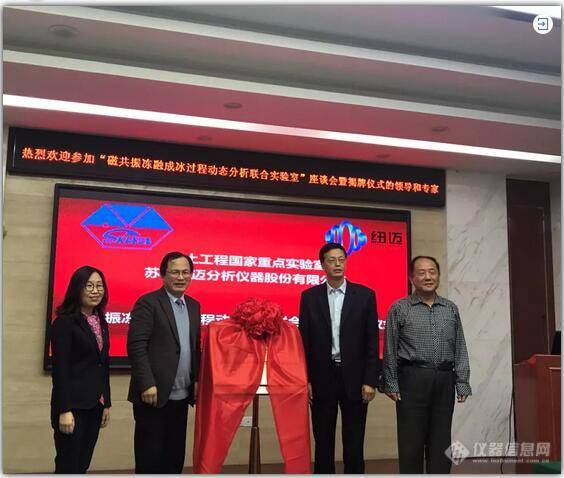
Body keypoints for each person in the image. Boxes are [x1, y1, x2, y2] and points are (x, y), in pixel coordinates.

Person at [382, 255, 471, 474]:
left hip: (444, 379)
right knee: (411, 442)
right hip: (412, 378)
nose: (428, 277)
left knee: (441, 440)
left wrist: (462, 382)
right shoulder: (399, 308)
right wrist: (391, 383)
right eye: (421, 273)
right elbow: (390, 349)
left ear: (438, 276)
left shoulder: (450, 308)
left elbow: (460, 346)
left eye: (432, 272)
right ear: (411, 278)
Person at [298, 242, 380, 474]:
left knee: (354, 440)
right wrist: (306, 379)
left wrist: (370, 380)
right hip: (322, 377)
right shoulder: (309, 297)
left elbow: (372, 341)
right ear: (322, 264)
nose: (337, 264)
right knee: (323, 440)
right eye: (331, 260)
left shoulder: (364, 296)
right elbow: (304, 342)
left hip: (355, 377)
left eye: (341, 259)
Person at [127, 251, 201, 474]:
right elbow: (136, 345)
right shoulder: (148, 303)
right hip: (153, 395)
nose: (181, 277)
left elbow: (194, 347)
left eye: (186, 272)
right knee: (150, 460)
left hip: (181, 396)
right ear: (162, 275)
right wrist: (147, 383)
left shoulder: (194, 305)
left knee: (174, 459)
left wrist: (196, 380)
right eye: (175, 272)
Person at [50, 265, 111, 473]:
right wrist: (64, 410)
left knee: (83, 464)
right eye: (89, 286)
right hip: (72, 407)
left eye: (99, 286)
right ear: (77, 289)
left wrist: (106, 402)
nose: (95, 291)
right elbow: (60, 371)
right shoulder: (64, 323)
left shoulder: (101, 321)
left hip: (95, 405)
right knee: (69, 466)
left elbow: (103, 365)